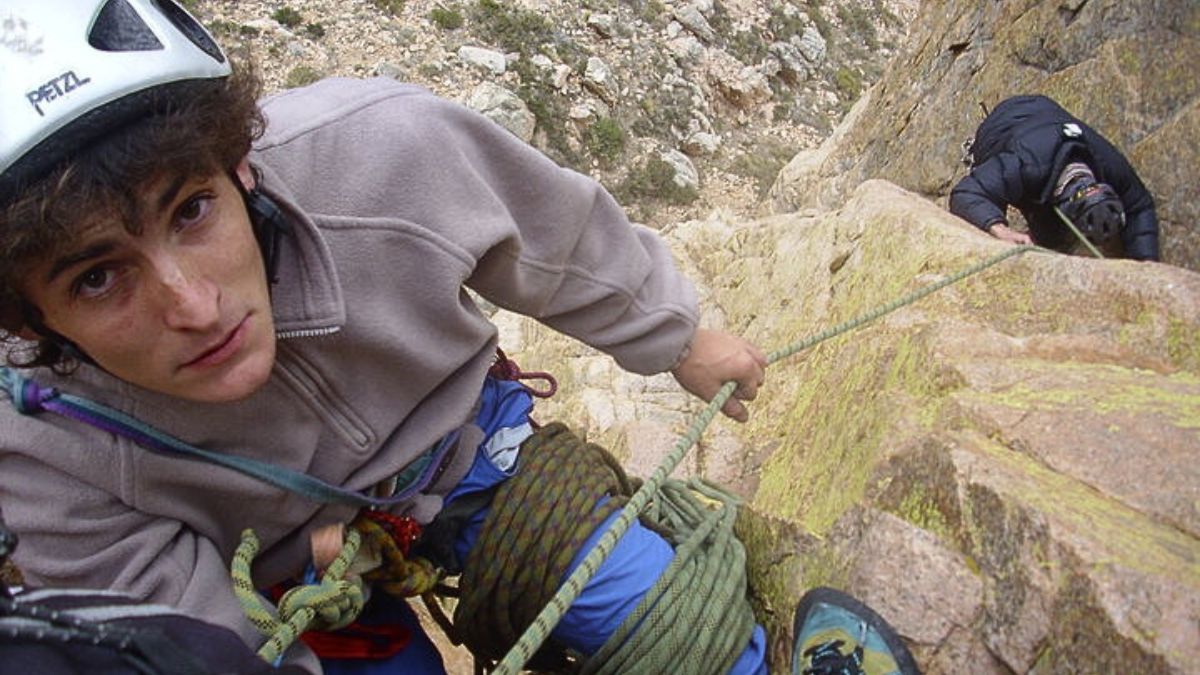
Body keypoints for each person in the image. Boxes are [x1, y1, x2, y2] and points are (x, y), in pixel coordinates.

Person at [0, 2, 918, 674]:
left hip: (466, 451)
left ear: (239, 166)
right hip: (291, 583)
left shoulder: (379, 154)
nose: (192, 304)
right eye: (96, 275)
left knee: (676, 627)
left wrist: (678, 338)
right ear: (28, 319)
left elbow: (549, 236)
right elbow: (193, 644)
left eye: (191, 209)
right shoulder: (38, 450)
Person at [950, 94, 1159, 261]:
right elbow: (967, 192)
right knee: (1035, 232)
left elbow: (1139, 205)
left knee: (1052, 237)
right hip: (1000, 128)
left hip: (1045, 114)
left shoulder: (1107, 162)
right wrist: (998, 229)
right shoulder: (1025, 164)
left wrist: (1146, 261)